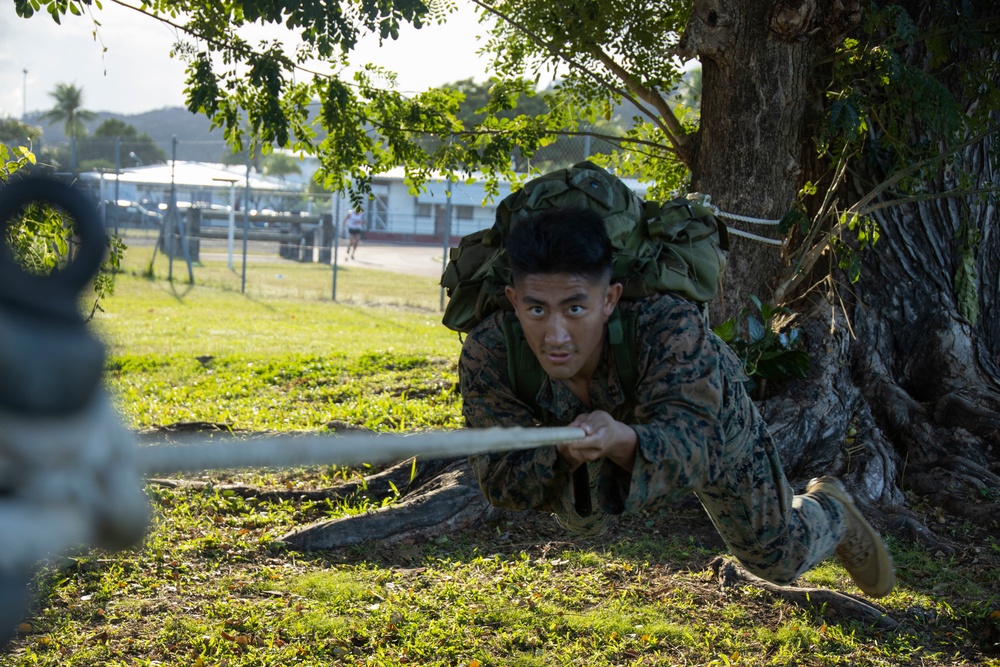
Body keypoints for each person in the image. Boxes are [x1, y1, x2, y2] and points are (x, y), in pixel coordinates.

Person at [459, 206, 895, 598]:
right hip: (598, 430)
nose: (555, 335)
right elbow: (499, 481)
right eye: (537, 311)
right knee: (582, 518)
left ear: (610, 297)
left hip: (703, 419)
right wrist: (562, 453)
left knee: (778, 559)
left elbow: (696, 451)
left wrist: (623, 440)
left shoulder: (668, 324)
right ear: (514, 301)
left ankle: (833, 512)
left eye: (574, 309)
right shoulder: (491, 352)